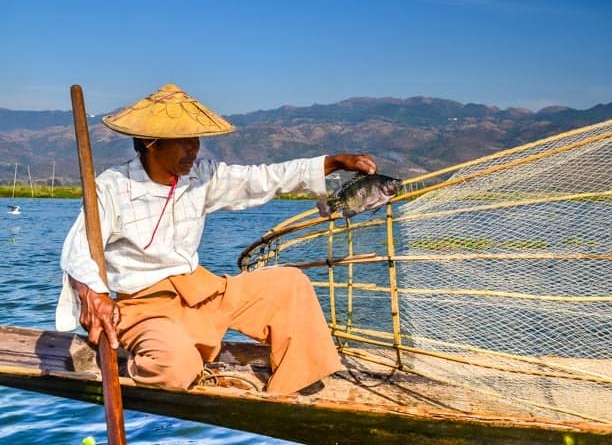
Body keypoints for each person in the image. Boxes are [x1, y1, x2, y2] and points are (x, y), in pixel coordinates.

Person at [56, 83, 377, 395]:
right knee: (176, 368)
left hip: (200, 291)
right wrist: (93, 292)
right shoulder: (112, 187)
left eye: (195, 139)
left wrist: (333, 162)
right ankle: (143, 361)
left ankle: (292, 385)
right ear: (151, 142)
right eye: (182, 140)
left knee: (290, 285)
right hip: (145, 309)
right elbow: (77, 249)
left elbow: (262, 179)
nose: (193, 148)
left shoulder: (201, 176)